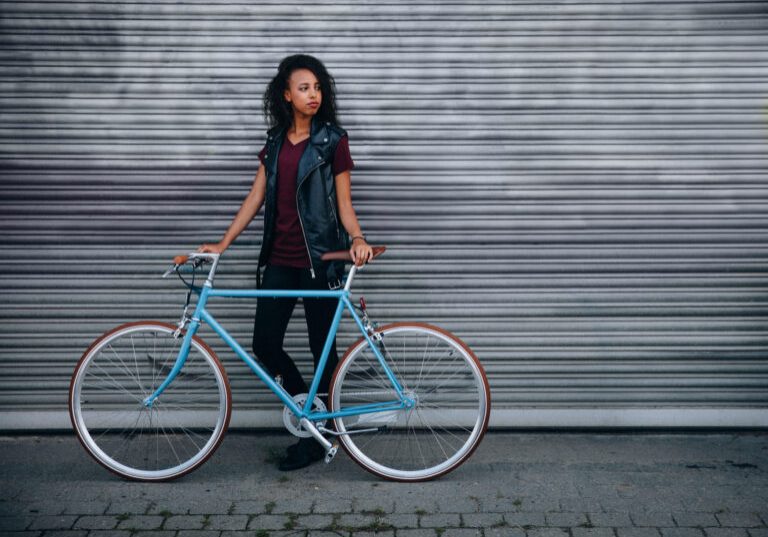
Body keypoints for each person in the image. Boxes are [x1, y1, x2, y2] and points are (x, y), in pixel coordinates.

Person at [196, 54, 373, 470]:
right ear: (287, 95)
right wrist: (223, 243)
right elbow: (255, 198)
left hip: (319, 263)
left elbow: (344, 206)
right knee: (265, 344)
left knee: (321, 352)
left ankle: (316, 439)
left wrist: (359, 238)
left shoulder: (332, 141)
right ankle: (307, 414)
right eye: (304, 88)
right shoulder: (275, 143)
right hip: (278, 261)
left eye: (317, 87)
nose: (314, 95)